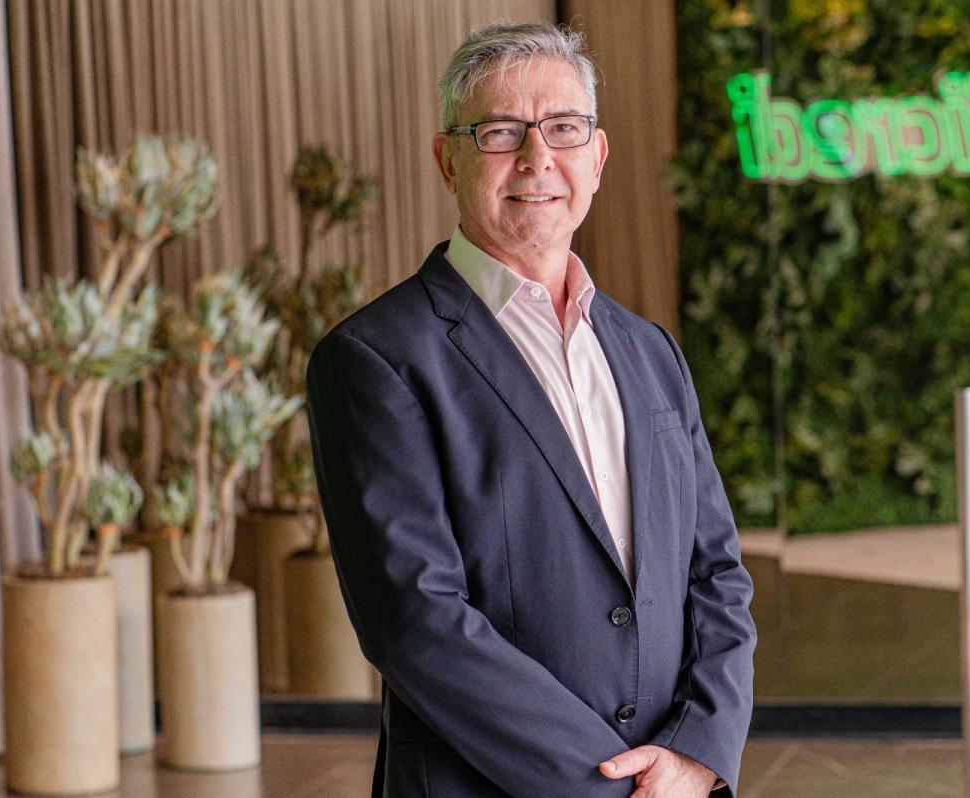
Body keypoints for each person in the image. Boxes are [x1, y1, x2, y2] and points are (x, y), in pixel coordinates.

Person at [306, 21, 756, 797]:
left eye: (564, 129)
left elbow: (715, 571)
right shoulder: (375, 359)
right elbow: (416, 621)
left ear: (597, 157)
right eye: (501, 131)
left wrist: (697, 753)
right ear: (447, 160)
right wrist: (613, 787)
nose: (537, 157)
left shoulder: (651, 351)